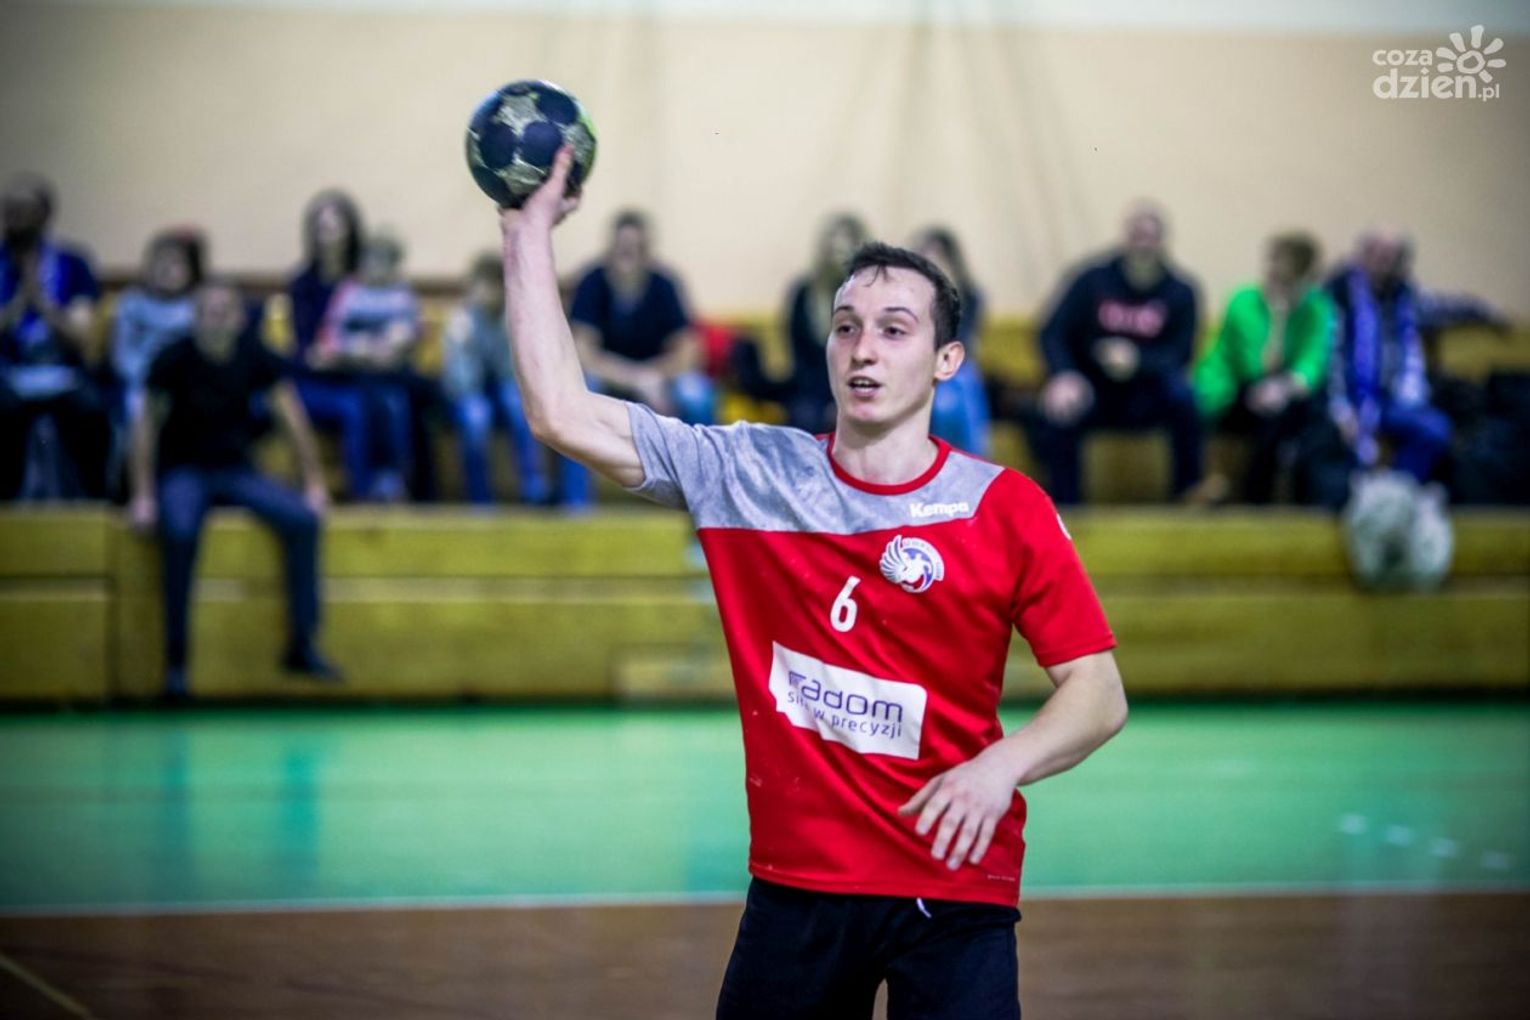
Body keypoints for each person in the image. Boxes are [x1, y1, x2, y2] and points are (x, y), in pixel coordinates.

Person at [501, 148, 1128, 1020]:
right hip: (798, 889)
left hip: (955, 885)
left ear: (946, 360)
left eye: (895, 330)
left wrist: (1001, 768)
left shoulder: (1004, 506)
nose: (863, 350)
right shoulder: (748, 473)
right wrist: (526, 230)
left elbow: (1098, 693)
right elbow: (560, 411)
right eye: (846, 327)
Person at [129, 279, 339, 699]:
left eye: (225, 311)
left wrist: (315, 482)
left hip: (236, 470)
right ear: (195, 318)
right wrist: (144, 495)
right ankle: (176, 663)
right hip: (183, 471)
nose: (216, 319)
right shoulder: (172, 358)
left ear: (240, 319)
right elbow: (145, 427)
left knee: (303, 520)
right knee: (180, 533)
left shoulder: (254, 354)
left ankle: (301, 645)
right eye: (208, 311)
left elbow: (291, 417)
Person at [1034, 203, 1202, 504]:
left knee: (1186, 397)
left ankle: (1189, 493)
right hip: (1093, 388)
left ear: (1163, 241)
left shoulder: (1181, 291)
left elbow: (1182, 353)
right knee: (1057, 408)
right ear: (1125, 237)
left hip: (1148, 392)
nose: (1143, 244)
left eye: (1150, 237)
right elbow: (1051, 332)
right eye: (1137, 235)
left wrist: (1138, 361)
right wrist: (1064, 375)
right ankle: (1065, 507)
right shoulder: (1092, 280)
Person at [1192, 232, 1333, 503]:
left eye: (1288, 279)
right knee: (1271, 416)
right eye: (1273, 269)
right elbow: (1256, 367)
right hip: (1233, 391)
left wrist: (1285, 388)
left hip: (1285, 394)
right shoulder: (1243, 300)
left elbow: (1312, 365)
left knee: (1313, 417)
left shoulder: (1317, 308)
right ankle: (1254, 500)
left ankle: (1309, 503)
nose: (1275, 280)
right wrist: (1278, 319)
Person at [1315, 229, 1452, 507]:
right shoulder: (1337, 294)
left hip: (1393, 400)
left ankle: (1392, 496)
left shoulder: (1405, 297)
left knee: (1434, 428)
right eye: (1374, 253)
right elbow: (1329, 357)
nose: (1382, 262)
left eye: (1390, 256)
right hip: (1344, 399)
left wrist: (1486, 312)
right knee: (1331, 439)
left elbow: (1444, 308)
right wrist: (1341, 409)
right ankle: (1356, 503)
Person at [441, 252, 589, 507]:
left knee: (518, 405)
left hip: (504, 388)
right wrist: (468, 345)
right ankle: (480, 499)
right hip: (468, 394)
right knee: (476, 417)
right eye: (482, 285)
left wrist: (505, 332)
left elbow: (514, 374)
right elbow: (461, 383)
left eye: (494, 286)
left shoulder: (513, 318)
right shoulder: (460, 323)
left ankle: (534, 486)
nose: (487, 293)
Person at [0, 174, 109, 500]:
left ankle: (91, 504)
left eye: (25, 208)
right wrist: (18, 302)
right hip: (7, 371)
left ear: (45, 214)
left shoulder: (73, 264)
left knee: (92, 412)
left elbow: (81, 337)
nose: (15, 216)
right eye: (9, 208)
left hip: (64, 372)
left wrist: (41, 302)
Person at [569, 210, 714, 424]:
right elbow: (582, 353)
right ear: (611, 248)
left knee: (696, 395)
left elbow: (689, 350)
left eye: (636, 248)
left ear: (647, 251)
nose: (629, 254)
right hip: (607, 377)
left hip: (658, 376)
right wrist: (634, 379)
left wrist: (654, 376)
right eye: (623, 248)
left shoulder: (664, 284)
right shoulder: (591, 282)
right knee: (581, 391)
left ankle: (698, 448)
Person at [315, 230, 421, 502]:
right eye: (370, 259)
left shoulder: (401, 294)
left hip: (391, 377)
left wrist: (394, 345)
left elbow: (409, 334)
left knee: (396, 407)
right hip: (354, 375)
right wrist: (360, 349)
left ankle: (395, 480)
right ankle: (362, 487)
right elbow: (330, 338)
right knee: (361, 408)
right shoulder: (348, 292)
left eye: (383, 261)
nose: (375, 267)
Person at [109, 229, 205, 470]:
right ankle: (132, 476)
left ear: (192, 270)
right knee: (139, 407)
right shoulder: (131, 303)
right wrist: (150, 377)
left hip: (188, 385)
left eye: (176, 263)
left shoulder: (198, 306)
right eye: (159, 262)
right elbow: (122, 357)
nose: (166, 269)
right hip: (139, 383)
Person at [781, 214, 870, 432]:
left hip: (861, 382)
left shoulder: (870, 295)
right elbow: (798, 356)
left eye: (844, 250)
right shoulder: (804, 293)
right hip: (812, 388)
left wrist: (844, 397)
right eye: (832, 248)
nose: (836, 256)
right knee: (805, 414)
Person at [914, 226, 991, 457]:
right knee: (945, 396)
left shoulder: (970, 296)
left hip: (955, 367)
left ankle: (969, 462)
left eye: (939, 259)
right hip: (917, 367)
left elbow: (963, 341)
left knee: (959, 384)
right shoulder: (905, 298)